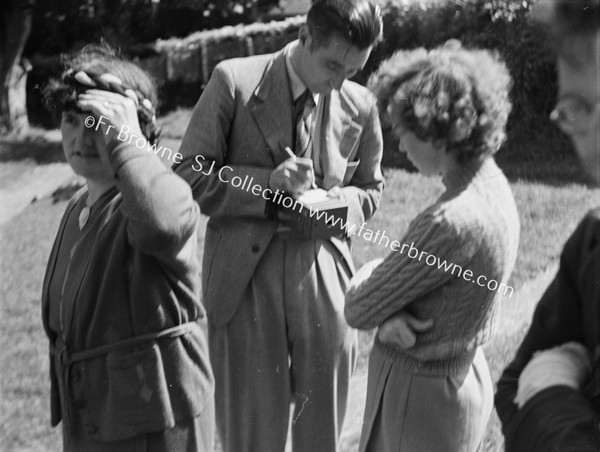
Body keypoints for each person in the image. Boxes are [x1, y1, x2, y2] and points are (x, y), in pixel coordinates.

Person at [174, 0, 384, 449]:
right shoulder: (233, 80)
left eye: (354, 70)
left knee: (321, 431)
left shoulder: (361, 104)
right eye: (332, 65)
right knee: (250, 436)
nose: (340, 82)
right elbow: (189, 174)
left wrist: (342, 201)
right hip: (244, 279)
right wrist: (266, 185)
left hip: (324, 277)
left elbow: (370, 189)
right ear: (305, 37)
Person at [345, 42, 520, 452]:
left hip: (419, 399)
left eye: (404, 134)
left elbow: (359, 307)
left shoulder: (449, 222)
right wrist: (390, 312)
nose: (400, 147)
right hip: (460, 380)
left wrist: (372, 279)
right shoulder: (493, 184)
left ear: (440, 131)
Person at [41, 45, 214, 451]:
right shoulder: (77, 207)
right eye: (71, 120)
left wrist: (129, 143)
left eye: (97, 124)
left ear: (133, 131)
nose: (81, 137)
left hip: (155, 427)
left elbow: (163, 225)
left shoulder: (159, 193)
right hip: (98, 418)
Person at [495, 1, 600, 450]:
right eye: (577, 108)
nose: (596, 139)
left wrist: (551, 390)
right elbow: (513, 384)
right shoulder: (591, 244)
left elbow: (530, 390)